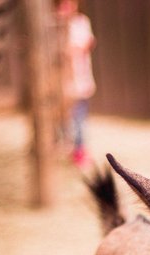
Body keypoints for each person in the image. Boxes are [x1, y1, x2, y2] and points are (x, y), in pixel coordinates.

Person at [56, 0, 96, 166]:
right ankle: (65, 145)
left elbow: (87, 43)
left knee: (79, 117)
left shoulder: (81, 22)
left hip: (79, 79)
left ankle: (79, 150)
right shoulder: (54, 25)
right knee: (61, 117)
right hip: (60, 82)